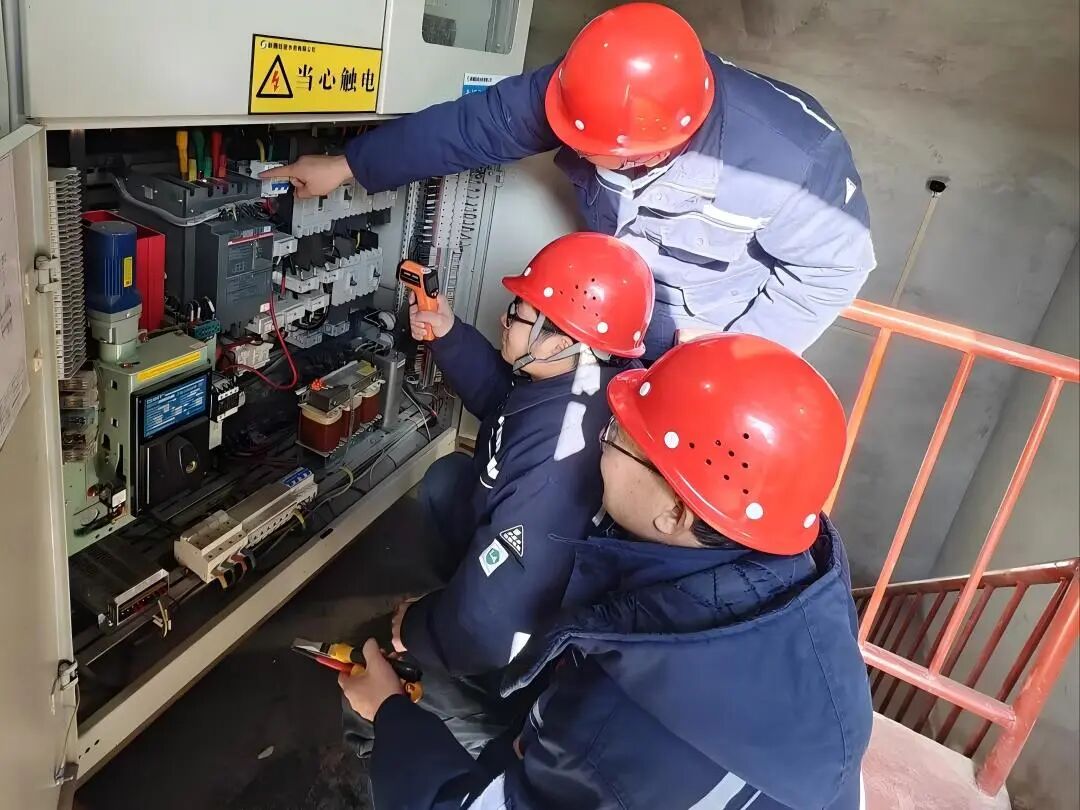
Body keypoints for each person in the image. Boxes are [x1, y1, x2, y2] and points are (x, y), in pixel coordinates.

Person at [339, 334, 874, 809]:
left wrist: (389, 711)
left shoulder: (613, 725)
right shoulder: (805, 586)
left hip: (592, 763)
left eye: (619, 436)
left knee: (382, 699)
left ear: (676, 513)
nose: (601, 439)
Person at [262, 3, 875, 361]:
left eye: (615, 160)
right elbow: (471, 128)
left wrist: (729, 353)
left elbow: (831, 274)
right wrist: (348, 166)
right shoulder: (585, 87)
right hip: (607, 315)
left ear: (670, 142)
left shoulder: (795, 160)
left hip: (699, 336)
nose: (593, 163)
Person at [342, 231, 654, 757]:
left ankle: (489, 713)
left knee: (368, 705)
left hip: (527, 636)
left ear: (561, 340)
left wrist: (417, 629)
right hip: (535, 571)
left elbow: (501, 609)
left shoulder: (557, 461)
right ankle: (459, 612)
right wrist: (448, 335)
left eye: (519, 313)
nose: (505, 319)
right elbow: (505, 405)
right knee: (449, 481)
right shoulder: (583, 382)